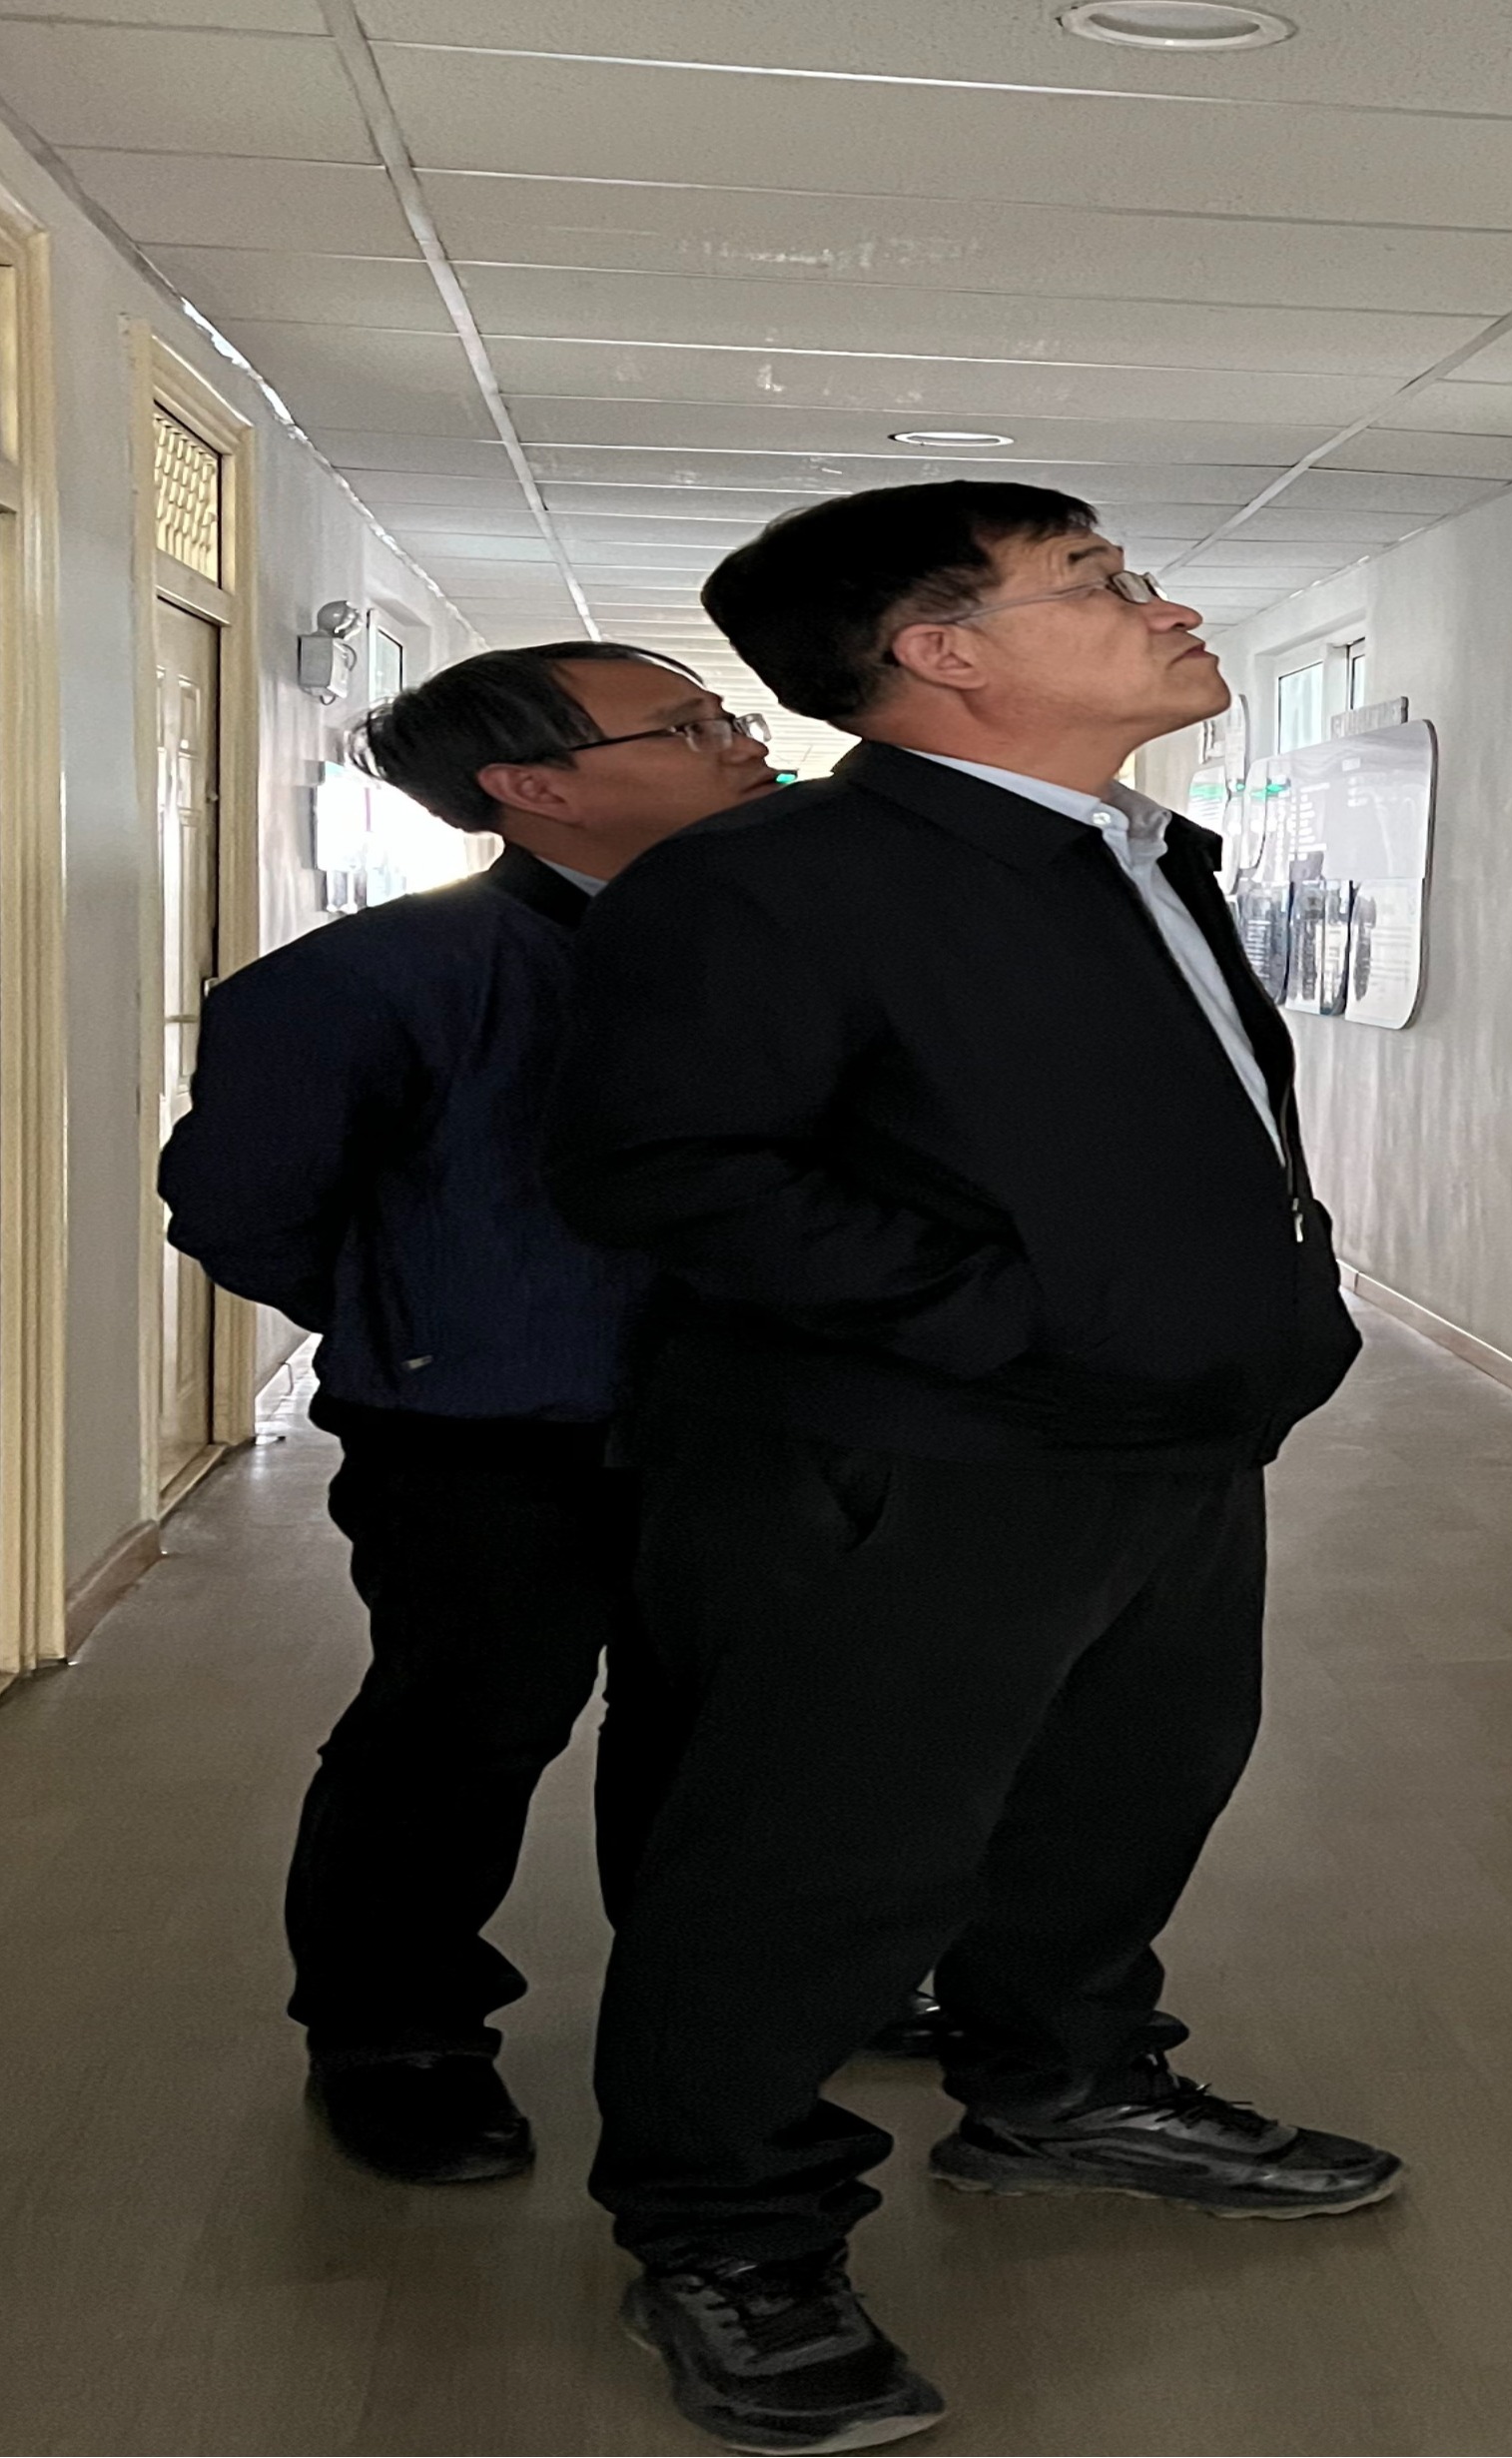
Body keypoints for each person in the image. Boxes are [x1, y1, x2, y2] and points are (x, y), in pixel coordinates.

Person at [546, 483, 1380, 2456]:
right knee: (814, 1862)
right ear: (939, 652)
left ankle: (1063, 2081)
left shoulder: (1131, 852)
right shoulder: (771, 883)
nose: (1162, 606)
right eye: (1094, 582)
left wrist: (1275, 1313)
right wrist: (1015, 1320)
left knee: (1121, 1795)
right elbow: (671, 1171)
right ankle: (730, 2233)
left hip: (1165, 1443)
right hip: (902, 1461)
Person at [157, 644, 775, 2184]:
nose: (739, 741)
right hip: (487, 1437)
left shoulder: (774, 950)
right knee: (460, 1734)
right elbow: (241, 1210)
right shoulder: (372, 982)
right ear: (530, 786)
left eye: (723, 715)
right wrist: (429, 1316)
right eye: (688, 724)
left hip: (748, 1421)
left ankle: (720, 2005)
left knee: (727, 1731)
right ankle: (395, 2032)